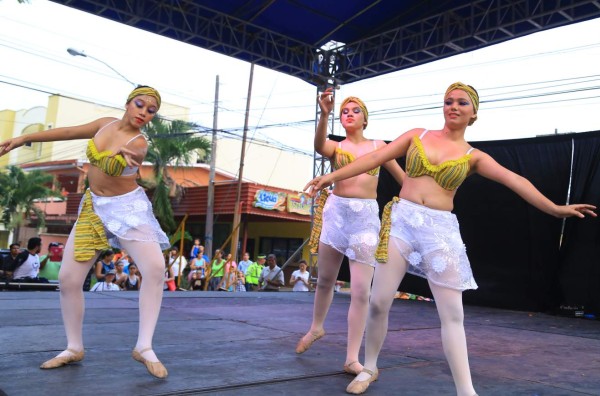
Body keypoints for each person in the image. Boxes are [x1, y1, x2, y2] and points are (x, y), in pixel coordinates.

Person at [305, 82, 597, 395]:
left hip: (439, 231)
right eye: (448, 101)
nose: (453, 107)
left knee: (453, 314)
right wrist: (330, 177)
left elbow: (515, 180)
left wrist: (554, 208)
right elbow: (373, 159)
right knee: (378, 302)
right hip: (402, 223)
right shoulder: (416, 135)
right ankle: (370, 367)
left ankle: (466, 391)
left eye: (461, 103)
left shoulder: (474, 156)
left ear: (473, 114)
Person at [0, 85, 171, 378]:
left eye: (151, 111)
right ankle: (73, 347)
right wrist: (24, 138)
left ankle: (144, 347)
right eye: (140, 105)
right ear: (128, 103)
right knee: (68, 280)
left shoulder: (139, 143)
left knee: (155, 268)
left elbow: (126, 162)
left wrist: (126, 157)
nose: (144, 113)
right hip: (94, 206)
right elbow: (67, 132)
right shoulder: (103, 124)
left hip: (126, 209)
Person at [296, 89, 405, 378]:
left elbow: (403, 179)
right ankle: (316, 327)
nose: (349, 113)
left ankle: (351, 358)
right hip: (336, 213)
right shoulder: (336, 147)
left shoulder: (379, 146)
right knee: (325, 280)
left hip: (365, 219)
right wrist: (324, 113)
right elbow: (320, 145)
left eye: (355, 110)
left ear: (365, 118)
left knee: (360, 291)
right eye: (345, 111)